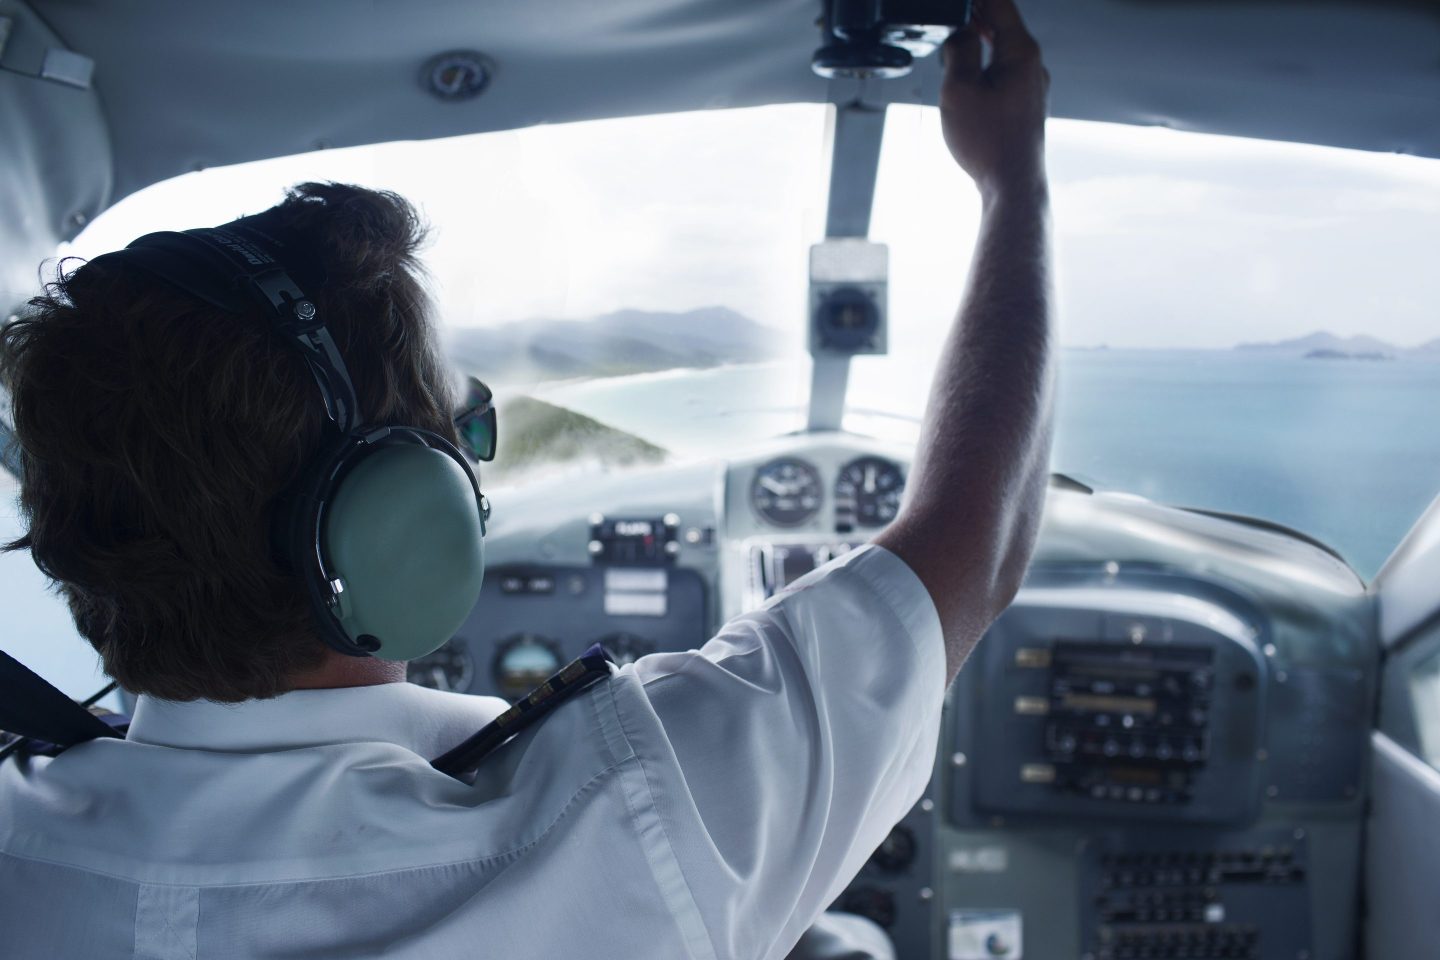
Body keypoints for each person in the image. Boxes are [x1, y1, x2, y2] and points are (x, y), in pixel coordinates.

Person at [0, 0, 1051, 956]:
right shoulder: (636, 824)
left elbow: (973, 545)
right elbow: (980, 539)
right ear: (392, 520)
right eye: (460, 432)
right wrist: (1011, 177)